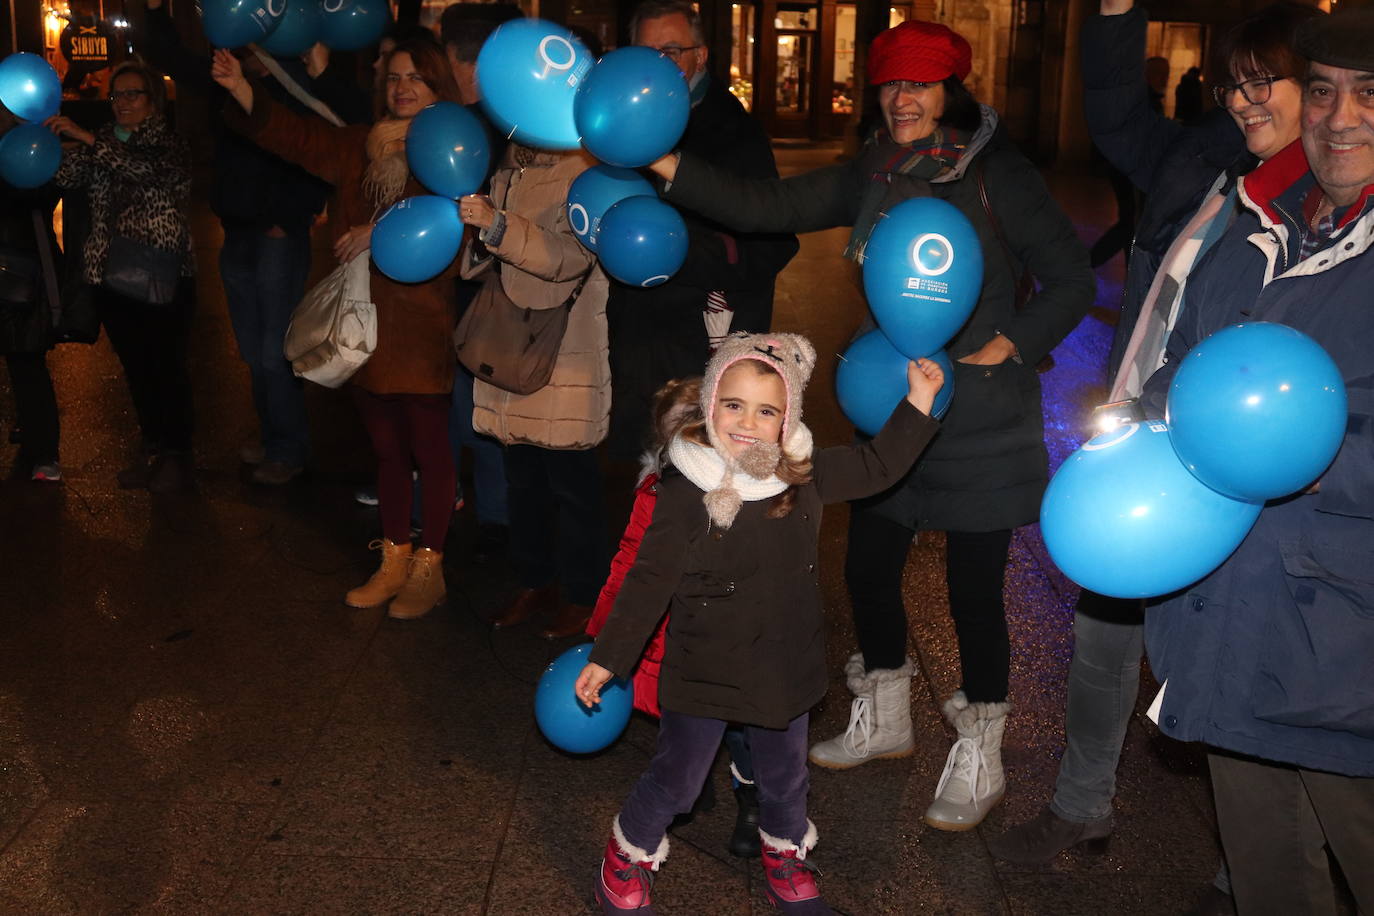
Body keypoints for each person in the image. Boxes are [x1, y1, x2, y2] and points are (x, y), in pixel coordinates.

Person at [649, 19, 1094, 830]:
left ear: (950, 90)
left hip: (981, 423)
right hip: (890, 409)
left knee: (973, 595)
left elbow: (1067, 276)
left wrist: (1010, 343)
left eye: (921, 83)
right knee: (866, 567)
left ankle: (982, 749)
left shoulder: (999, 175)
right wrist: (667, 163)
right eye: (891, 84)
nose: (904, 99)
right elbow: (768, 203)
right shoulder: (876, 172)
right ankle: (885, 717)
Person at [990, 1, 1322, 874]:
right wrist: (1114, 16)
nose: (1246, 102)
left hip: (1233, 467)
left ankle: (1245, 867)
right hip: (1144, 449)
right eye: (1234, 85)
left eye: (1266, 82)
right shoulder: (1212, 162)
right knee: (1102, 634)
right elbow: (1114, 116)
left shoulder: (1323, 204)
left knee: (1236, 665)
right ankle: (1081, 807)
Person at [1131, 10, 1374, 913]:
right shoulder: (1252, 228)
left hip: (1348, 651)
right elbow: (1181, 374)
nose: (1339, 117)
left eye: (1370, 95)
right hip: (1232, 623)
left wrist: (1305, 462)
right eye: (1322, 90)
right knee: (1270, 880)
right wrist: (1151, 420)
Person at [576, 331, 946, 915]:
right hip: (703, 666)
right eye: (733, 405)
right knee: (677, 779)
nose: (747, 423)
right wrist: (608, 656)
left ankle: (786, 860)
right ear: (710, 406)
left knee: (785, 778)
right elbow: (649, 579)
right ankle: (625, 858)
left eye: (766, 411)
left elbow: (880, 464)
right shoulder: (684, 486)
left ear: (787, 418)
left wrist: (919, 399)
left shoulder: (805, 475)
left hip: (783, 663)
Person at [213, 38, 462, 619]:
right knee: (384, 449)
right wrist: (244, 90)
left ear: (437, 88)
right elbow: (298, 138)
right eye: (395, 77)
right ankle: (394, 559)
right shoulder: (360, 144)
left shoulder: (451, 149)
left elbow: (456, 225)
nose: (402, 87)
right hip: (362, 321)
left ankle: (431, 567)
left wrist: (380, 233)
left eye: (416, 79)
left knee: (429, 446)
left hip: (421, 321)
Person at [143, 0, 363, 486]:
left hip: (277, 234)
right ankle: (272, 438)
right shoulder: (229, 77)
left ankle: (289, 448)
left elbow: (325, 142)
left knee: (273, 350)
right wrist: (156, 10)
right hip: (239, 231)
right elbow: (169, 55)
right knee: (252, 348)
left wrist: (293, 215)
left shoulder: (293, 82)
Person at [605, 0, 799, 465]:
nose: (659, 63)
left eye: (672, 50)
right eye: (646, 51)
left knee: (698, 477)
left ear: (701, 56)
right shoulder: (618, 126)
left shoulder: (735, 133)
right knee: (641, 477)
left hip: (702, 346)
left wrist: (676, 249)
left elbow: (773, 244)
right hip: (634, 334)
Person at [585, 376, 766, 861]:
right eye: (676, 438)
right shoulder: (657, 492)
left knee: (747, 728)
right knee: (685, 716)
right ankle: (695, 774)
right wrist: (609, 636)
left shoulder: (757, 490)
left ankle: (753, 800)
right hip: (681, 633)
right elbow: (631, 562)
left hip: (739, 637)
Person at [457, 142, 611, 639]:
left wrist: (498, 227)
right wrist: (481, 236)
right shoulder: (508, 168)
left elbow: (571, 256)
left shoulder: (588, 172)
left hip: (564, 346)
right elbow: (480, 264)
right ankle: (535, 582)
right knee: (522, 480)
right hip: (513, 341)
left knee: (573, 484)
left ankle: (585, 595)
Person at [47, 60, 197, 493]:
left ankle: (176, 455)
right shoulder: (103, 143)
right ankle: (151, 448)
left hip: (163, 276)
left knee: (166, 368)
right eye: (117, 95)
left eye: (133, 94)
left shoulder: (168, 143)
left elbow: (145, 172)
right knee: (136, 369)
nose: (123, 102)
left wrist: (89, 139)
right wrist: (52, 142)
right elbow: (67, 177)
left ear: (153, 100)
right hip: (111, 276)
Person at [439, 4, 520, 564]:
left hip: (479, 283)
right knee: (476, 401)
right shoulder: (500, 119)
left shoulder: (469, 126)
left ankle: (477, 507)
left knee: (473, 399)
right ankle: (488, 510)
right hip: (480, 284)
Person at [1, 111, 63, 483]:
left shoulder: (29, 144)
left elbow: (43, 191)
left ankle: (43, 453)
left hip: (19, 275)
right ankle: (36, 443)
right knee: (23, 364)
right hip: (18, 271)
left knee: (26, 361)